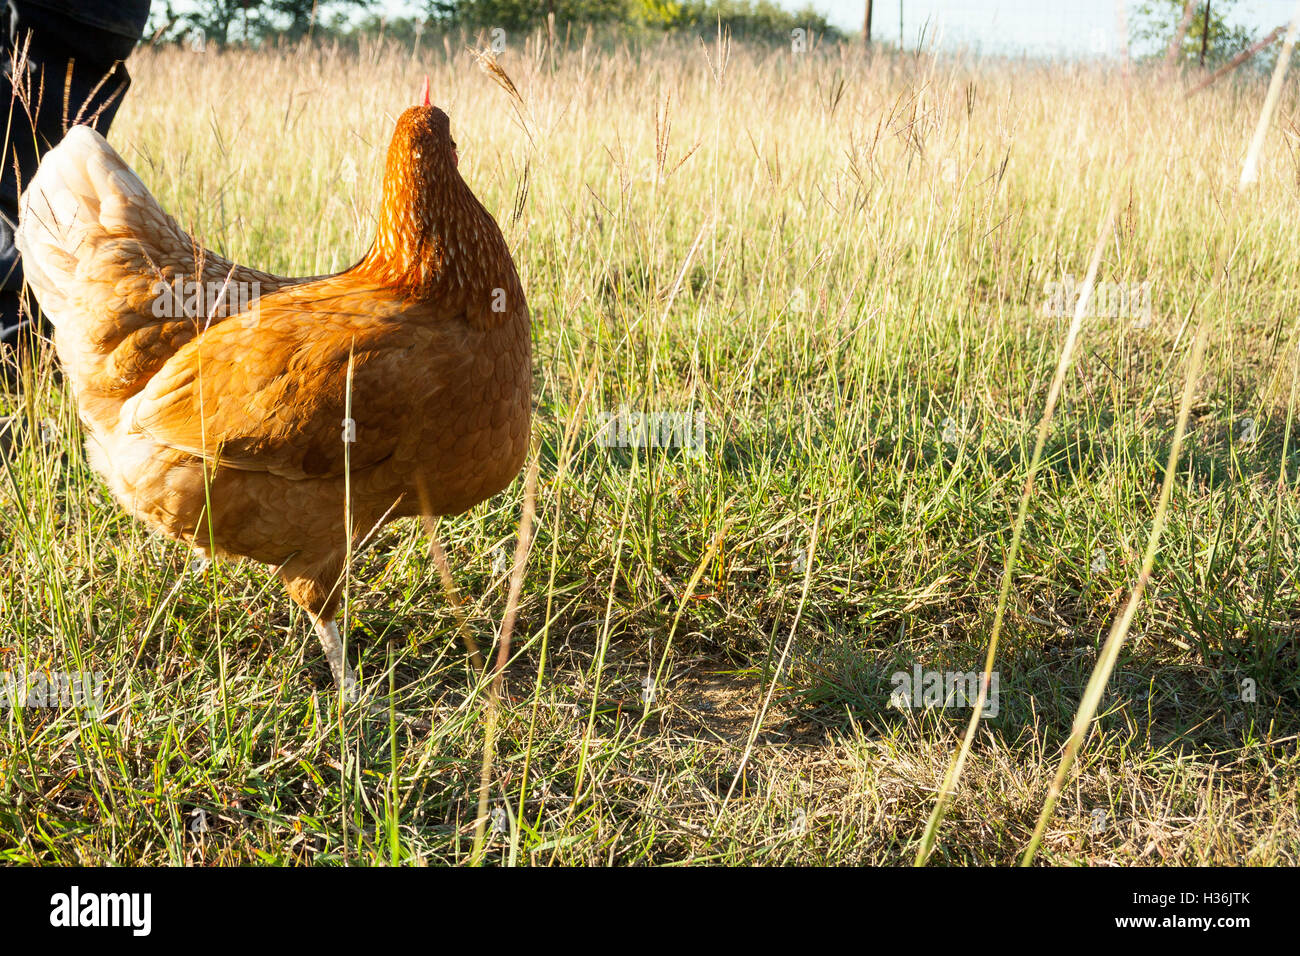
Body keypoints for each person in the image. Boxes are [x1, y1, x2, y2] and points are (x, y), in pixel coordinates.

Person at [0, 0, 152, 385]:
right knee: (52, 189)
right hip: (105, 17)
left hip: (55, 13)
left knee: (21, 193)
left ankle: (18, 366)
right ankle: (34, 361)